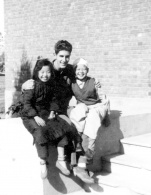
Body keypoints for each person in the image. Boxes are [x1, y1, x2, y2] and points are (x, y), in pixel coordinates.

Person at [22, 40, 100, 184]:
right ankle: (75, 165)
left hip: (64, 108)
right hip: (50, 112)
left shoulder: (70, 70)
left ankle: (80, 166)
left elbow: (86, 78)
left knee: (85, 122)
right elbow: (34, 85)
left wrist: (97, 85)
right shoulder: (48, 70)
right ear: (55, 55)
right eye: (61, 56)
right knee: (71, 129)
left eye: (67, 56)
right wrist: (24, 85)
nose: (64, 60)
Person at [10, 59, 81, 180]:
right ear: (37, 72)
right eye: (42, 72)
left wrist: (53, 111)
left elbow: (53, 100)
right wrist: (35, 116)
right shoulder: (32, 85)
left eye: (48, 72)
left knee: (62, 128)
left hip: (45, 113)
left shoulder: (50, 85)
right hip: (30, 115)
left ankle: (61, 160)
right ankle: (43, 162)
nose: (45, 75)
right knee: (40, 131)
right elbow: (26, 104)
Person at [69, 58, 110, 169]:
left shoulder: (93, 81)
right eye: (78, 69)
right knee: (77, 113)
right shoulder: (71, 82)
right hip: (82, 106)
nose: (81, 72)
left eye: (84, 69)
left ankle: (90, 152)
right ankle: (77, 145)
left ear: (87, 70)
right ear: (74, 70)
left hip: (95, 106)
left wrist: (106, 112)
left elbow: (103, 96)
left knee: (92, 118)